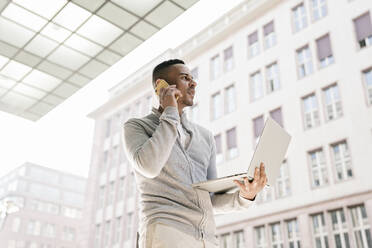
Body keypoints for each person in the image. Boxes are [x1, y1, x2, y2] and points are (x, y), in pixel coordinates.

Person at [123, 59, 267, 248]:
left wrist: (246, 196)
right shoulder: (137, 126)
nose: (193, 83)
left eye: (193, 78)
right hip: (166, 232)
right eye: (185, 78)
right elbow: (149, 166)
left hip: (206, 239)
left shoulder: (205, 137)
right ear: (161, 86)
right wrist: (170, 112)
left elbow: (211, 199)